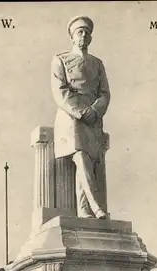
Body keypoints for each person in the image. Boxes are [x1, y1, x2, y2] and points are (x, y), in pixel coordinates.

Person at [51, 16, 110, 219]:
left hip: (94, 118)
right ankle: (97, 208)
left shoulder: (97, 64)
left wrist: (95, 111)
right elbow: (60, 92)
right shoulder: (61, 60)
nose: (83, 35)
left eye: (87, 32)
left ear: (91, 37)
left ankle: (85, 211)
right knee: (82, 157)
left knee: (91, 163)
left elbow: (105, 93)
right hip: (72, 118)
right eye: (79, 32)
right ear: (72, 37)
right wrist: (81, 112)